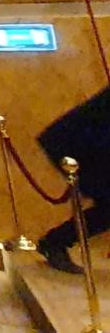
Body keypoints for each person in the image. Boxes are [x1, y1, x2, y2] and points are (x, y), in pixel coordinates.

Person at [37, 86, 110, 273]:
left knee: (106, 210)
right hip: (81, 146)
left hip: (90, 145)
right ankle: (53, 243)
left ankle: (53, 243)